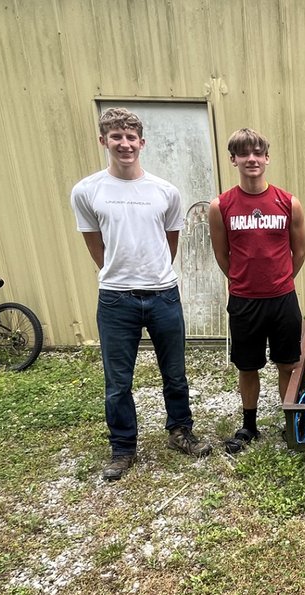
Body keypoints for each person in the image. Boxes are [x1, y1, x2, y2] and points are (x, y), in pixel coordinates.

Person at [71, 107, 212, 482]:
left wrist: (153, 274)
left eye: (131, 137)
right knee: (118, 381)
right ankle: (122, 448)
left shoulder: (164, 191)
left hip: (163, 295)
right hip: (116, 299)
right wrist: (117, 273)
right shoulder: (87, 191)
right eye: (116, 137)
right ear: (104, 141)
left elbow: (170, 242)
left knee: (175, 373)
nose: (124, 144)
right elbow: (94, 244)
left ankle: (180, 431)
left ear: (142, 143)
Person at [209, 128, 305, 454]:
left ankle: (288, 423)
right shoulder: (221, 206)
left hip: (282, 300)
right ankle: (249, 425)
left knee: (287, 365)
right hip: (244, 302)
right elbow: (222, 256)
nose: (251, 159)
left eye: (257, 153)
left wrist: (278, 281)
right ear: (233, 159)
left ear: (266, 158)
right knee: (247, 366)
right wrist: (243, 281)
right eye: (244, 153)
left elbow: (300, 252)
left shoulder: (288, 202)